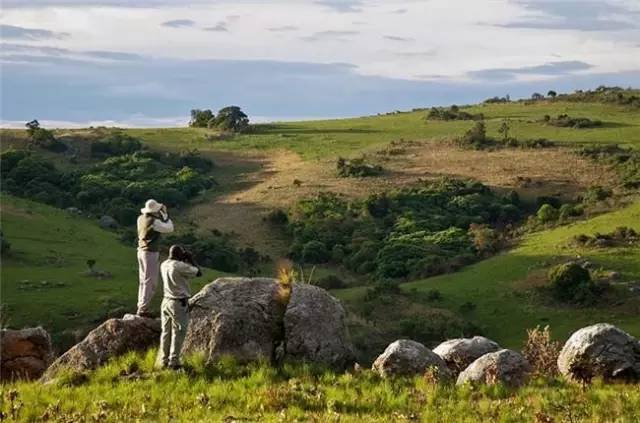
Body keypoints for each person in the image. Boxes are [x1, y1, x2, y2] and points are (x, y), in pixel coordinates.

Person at [157, 244, 201, 370]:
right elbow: (198, 273)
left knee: (166, 332)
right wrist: (190, 259)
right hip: (178, 303)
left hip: (166, 301)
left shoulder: (164, 264)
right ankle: (174, 361)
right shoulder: (180, 266)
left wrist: (182, 257)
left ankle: (163, 360)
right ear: (179, 255)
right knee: (179, 332)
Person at [137, 199, 174, 317]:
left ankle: (141, 306)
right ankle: (143, 309)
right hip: (150, 253)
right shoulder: (154, 222)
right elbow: (170, 228)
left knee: (143, 280)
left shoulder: (140, 218)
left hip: (141, 251)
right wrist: (165, 215)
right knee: (151, 281)